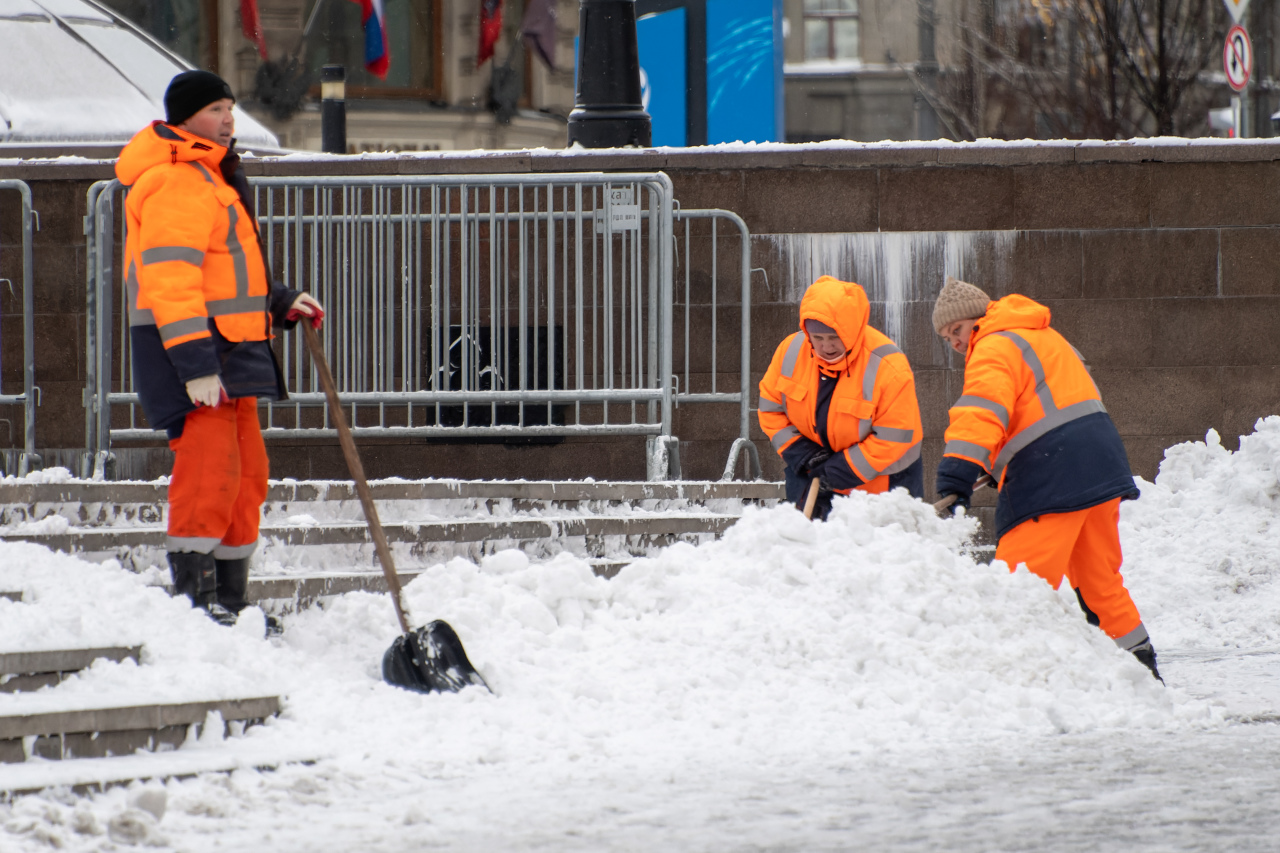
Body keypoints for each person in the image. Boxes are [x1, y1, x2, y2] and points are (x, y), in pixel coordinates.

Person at [115, 70, 325, 625]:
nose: (228, 119)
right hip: (200, 359)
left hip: (233, 353)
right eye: (215, 109)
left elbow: (223, 271)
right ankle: (196, 601)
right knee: (209, 475)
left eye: (230, 107)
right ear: (183, 120)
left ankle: (232, 601)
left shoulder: (211, 178)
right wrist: (193, 365)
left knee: (245, 474)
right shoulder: (176, 179)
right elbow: (171, 280)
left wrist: (279, 300)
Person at [932, 276, 1161, 681]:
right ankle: (1141, 675)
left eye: (956, 330)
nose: (954, 342)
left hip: (1053, 475)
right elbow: (1041, 406)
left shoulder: (994, 343)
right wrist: (995, 463)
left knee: (1017, 586)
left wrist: (957, 471)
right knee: (1099, 582)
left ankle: (1005, 682)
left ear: (977, 318)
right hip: (1100, 464)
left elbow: (982, 409)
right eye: (947, 338)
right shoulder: (1042, 336)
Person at [758, 275, 924, 521]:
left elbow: (894, 435)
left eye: (834, 337)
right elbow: (771, 409)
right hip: (809, 473)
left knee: (876, 556)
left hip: (880, 485)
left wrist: (837, 471)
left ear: (851, 331)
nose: (826, 346)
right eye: (818, 338)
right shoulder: (790, 352)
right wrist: (803, 454)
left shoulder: (887, 366)